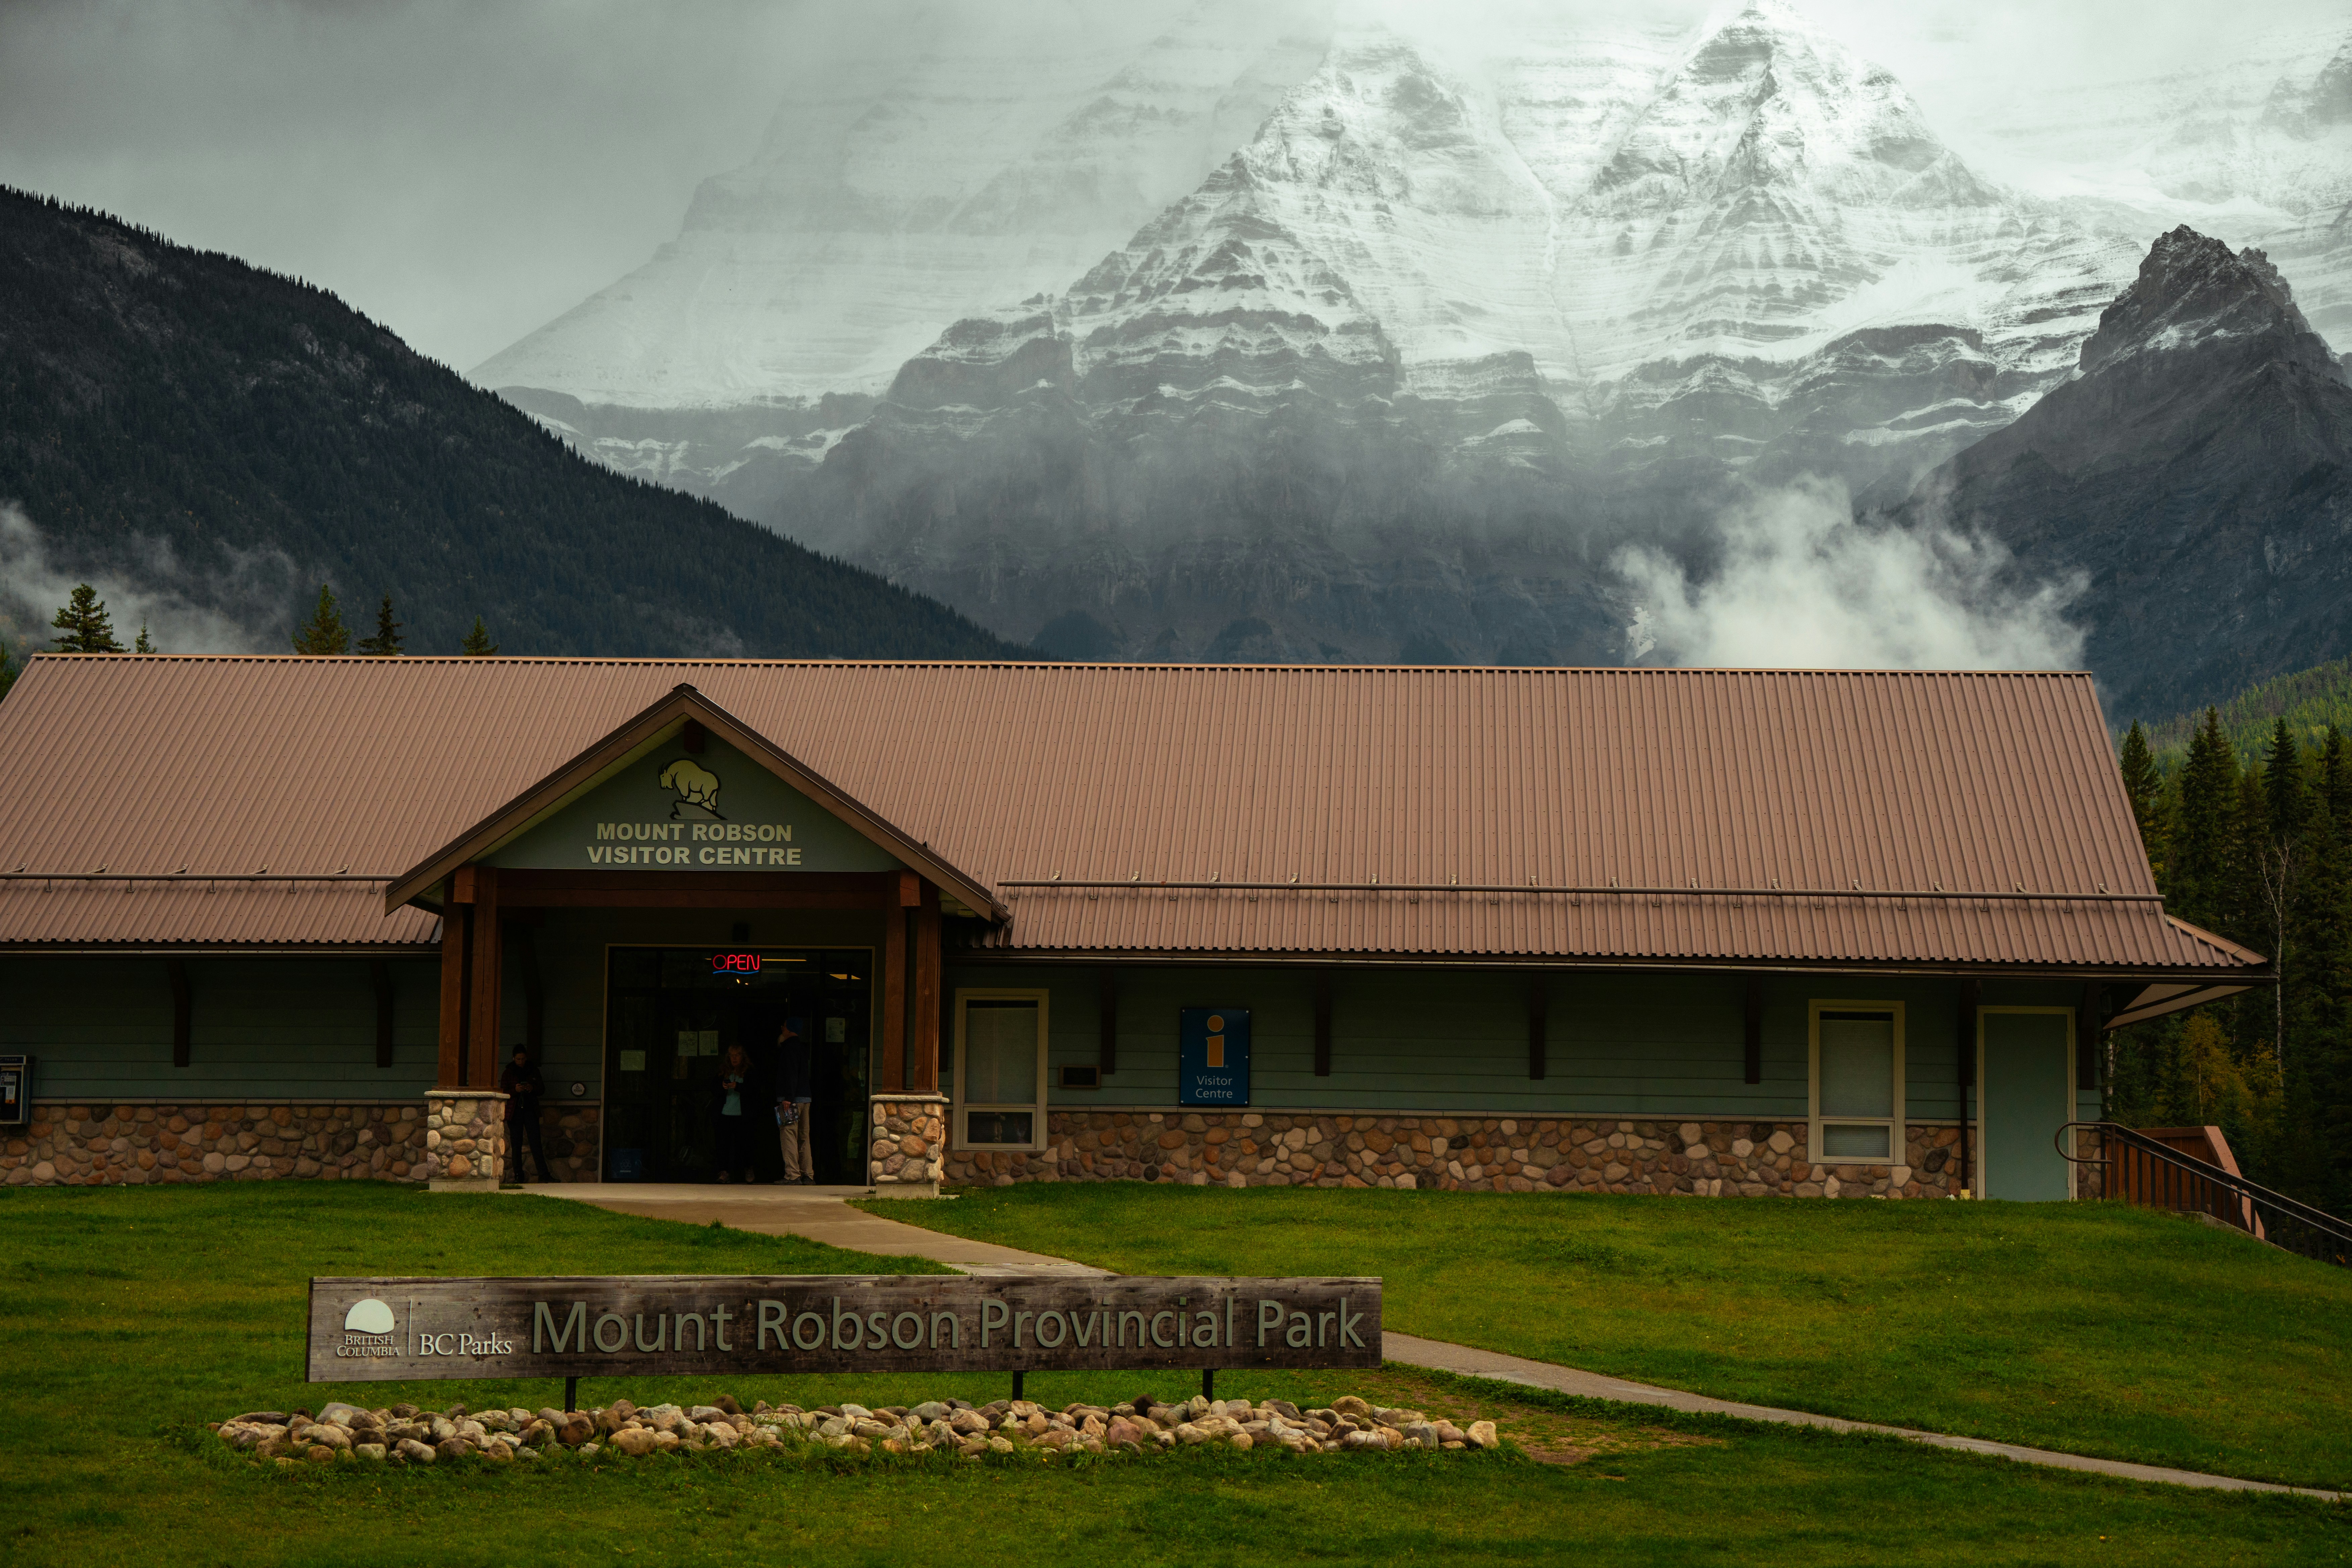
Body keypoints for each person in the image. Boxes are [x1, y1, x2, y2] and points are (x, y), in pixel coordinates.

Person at [498, 1045, 554, 1183]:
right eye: (518, 1059)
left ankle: (544, 1174)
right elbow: (503, 1092)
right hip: (515, 1111)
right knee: (516, 1143)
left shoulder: (533, 1070)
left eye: (523, 1059)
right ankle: (519, 1175)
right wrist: (515, 1090)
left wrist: (532, 1088)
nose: (521, 1062)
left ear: (526, 1058)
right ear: (514, 1058)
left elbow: (542, 1089)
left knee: (536, 1142)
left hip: (530, 1109)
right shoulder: (508, 1072)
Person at [773, 1014, 815, 1185]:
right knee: (804, 1137)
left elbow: (791, 1075)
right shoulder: (803, 1048)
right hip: (806, 1098)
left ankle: (792, 1175)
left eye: (784, 1027)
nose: (782, 1030)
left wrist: (788, 1098)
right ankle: (808, 1174)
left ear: (789, 1029)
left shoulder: (788, 1049)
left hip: (791, 1100)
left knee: (789, 1135)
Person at [712, 1041, 756, 1183]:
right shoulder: (723, 1071)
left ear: (742, 1057)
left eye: (737, 1056)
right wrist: (723, 1087)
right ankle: (724, 1172)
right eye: (732, 1056)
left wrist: (738, 1087)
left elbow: (754, 1091)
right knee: (723, 1145)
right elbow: (714, 1090)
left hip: (743, 1116)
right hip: (725, 1114)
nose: (735, 1059)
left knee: (745, 1145)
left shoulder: (749, 1072)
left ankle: (748, 1169)